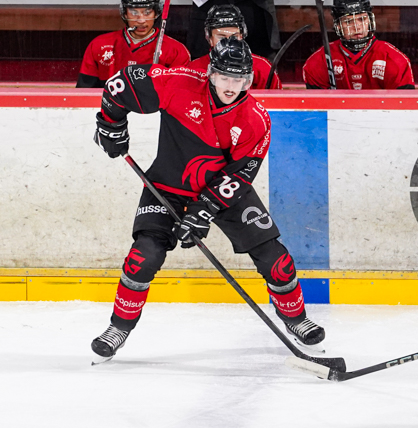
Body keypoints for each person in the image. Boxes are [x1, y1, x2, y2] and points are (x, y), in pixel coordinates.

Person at [90, 37, 324, 363]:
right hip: (168, 185)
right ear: (211, 73)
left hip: (223, 190)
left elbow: (240, 175)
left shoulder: (255, 118)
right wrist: (111, 124)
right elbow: (120, 84)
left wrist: (201, 212)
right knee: (143, 256)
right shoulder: (180, 83)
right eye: (226, 77)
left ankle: (297, 319)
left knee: (275, 259)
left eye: (240, 79)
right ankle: (118, 328)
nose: (232, 86)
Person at [76, 0, 189, 88]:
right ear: (124, 13)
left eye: (147, 12)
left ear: (156, 12)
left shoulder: (176, 52)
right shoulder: (99, 46)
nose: (141, 20)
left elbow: (181, 97)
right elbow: (83, 96)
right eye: (134, 13)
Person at [302, 0, 415, 90]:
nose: (357, 27)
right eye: (348, 21)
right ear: (338, 26)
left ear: (369, 21)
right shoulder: (320, 60)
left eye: (361, 19)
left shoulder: (392, 58)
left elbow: (405, 107)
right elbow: (318, 108)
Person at [188, 5, 282, 90]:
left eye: (234, 36)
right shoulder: (193, 69)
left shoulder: (262, 68)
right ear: (209, 38)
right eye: (221, 37)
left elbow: (276, 104)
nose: (228, 42)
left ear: (242, 36)